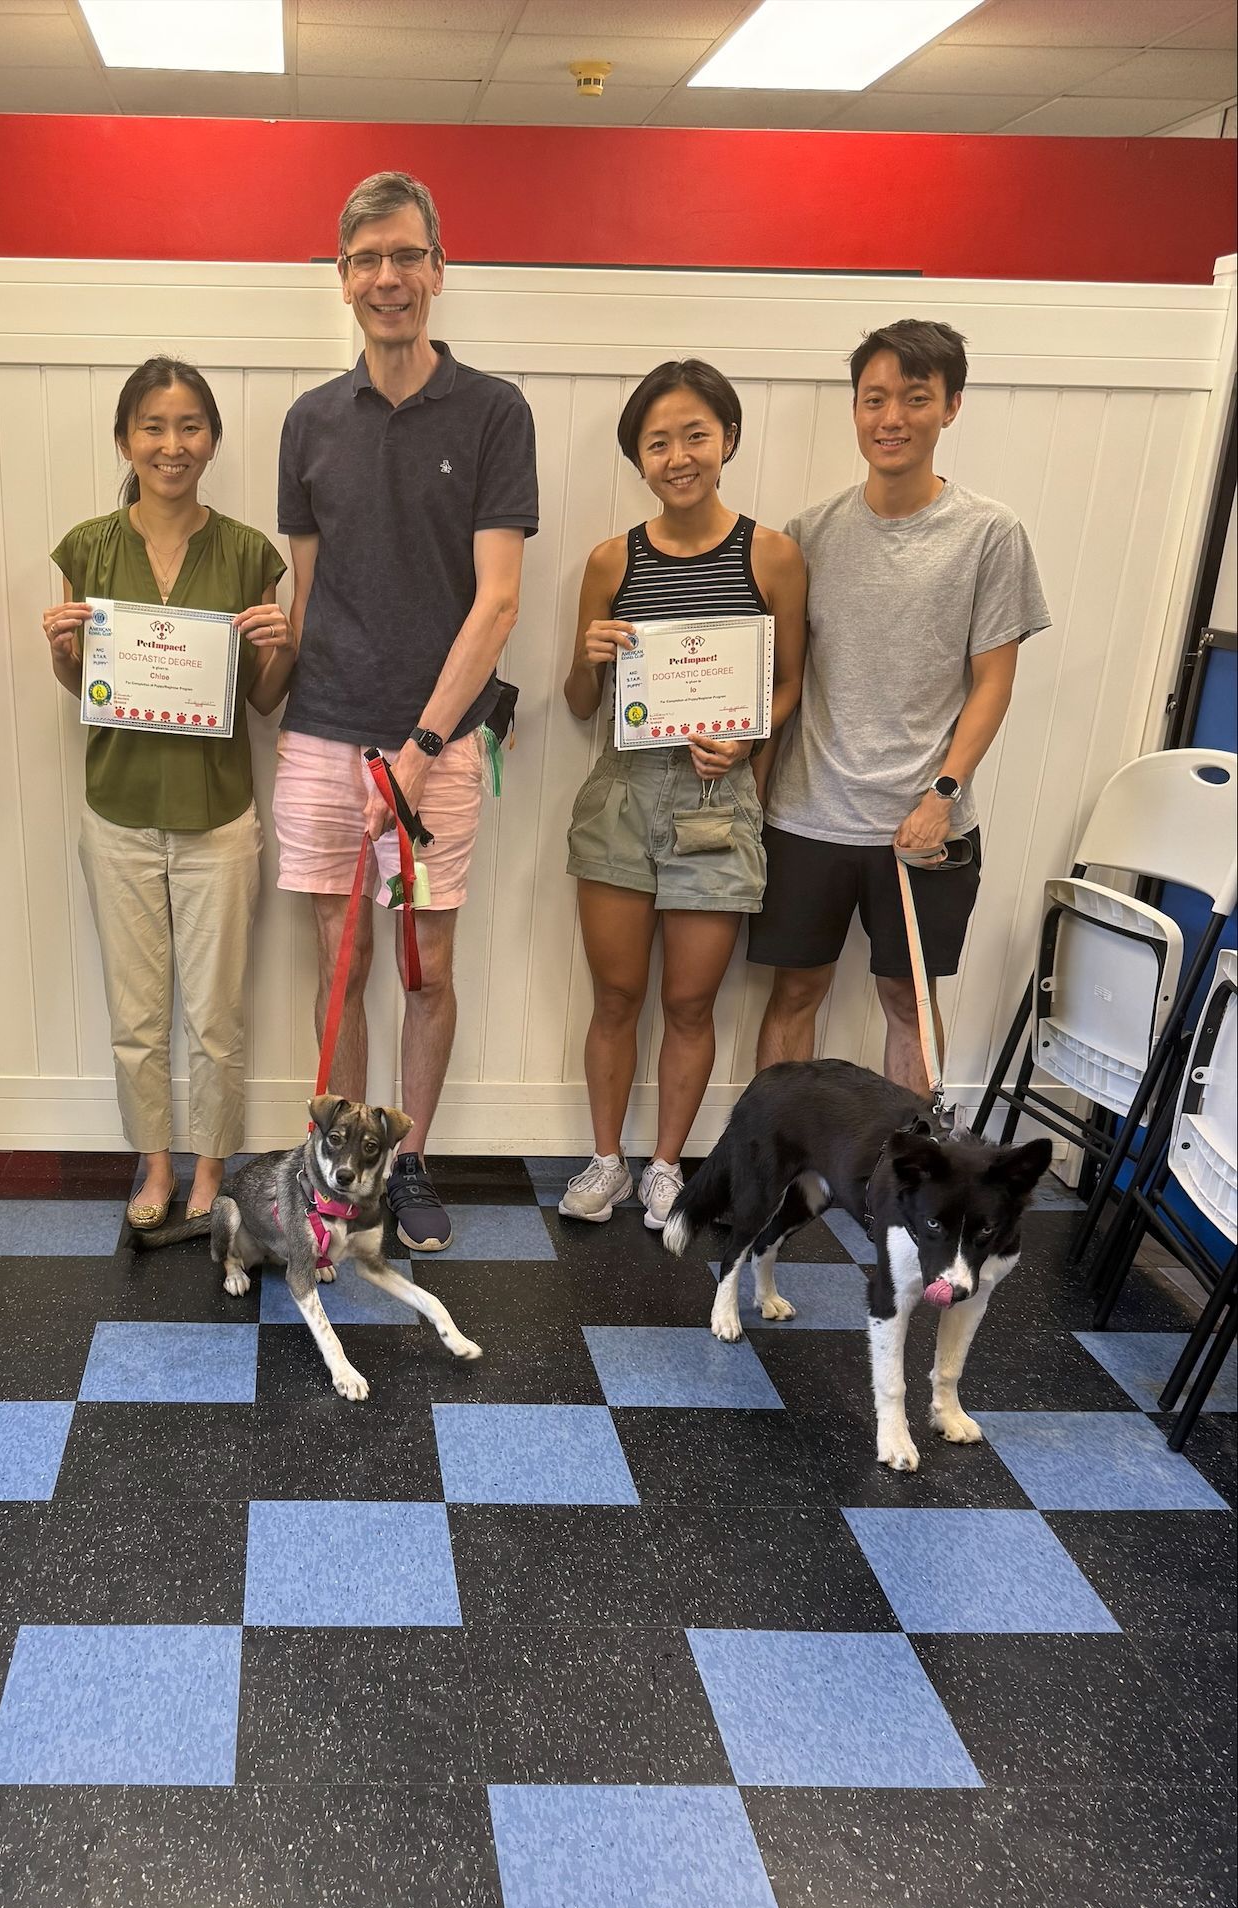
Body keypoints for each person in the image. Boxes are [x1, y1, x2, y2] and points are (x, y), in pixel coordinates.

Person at [273, 169, 537, 1250]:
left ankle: (410, 1160)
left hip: (440, 741)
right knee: (340, 966)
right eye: (367, 259)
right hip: (321, 732)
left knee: (427, 964)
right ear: (342, 279)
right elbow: (306, 597)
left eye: (407, 256)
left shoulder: (493, 411)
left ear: (438, 269)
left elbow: (498, 600)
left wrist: (423, 747)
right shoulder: (308, 422)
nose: (389, 277)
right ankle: (338, 1173)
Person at [750, 318, 1050, 1091]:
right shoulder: (807, 535)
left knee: (908, 1002)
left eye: (915, 398)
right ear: (854, 409)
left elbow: (995, 680)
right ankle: (778, 1155)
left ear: (951, 406)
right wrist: (751, 789)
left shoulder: (989, 534)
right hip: (807, 815)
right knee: (794, 994)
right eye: (874, 399)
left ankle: (912, 1165)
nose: (892, 418)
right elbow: (780, 679)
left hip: (926, 824)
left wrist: (942, 795)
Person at [43, 359, 295, 1228]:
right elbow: (86, 690)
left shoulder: (250, 553)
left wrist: (282, 646)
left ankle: (210, 1166)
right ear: (125, 440)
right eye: (152, 426)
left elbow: (263, 700)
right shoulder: (85, 547)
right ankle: (154, 1165)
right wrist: (62, 652)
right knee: (137, 1014)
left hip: (217, 817)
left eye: (190, 426)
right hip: (117, 810)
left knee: (217, 1015)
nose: (171, 444)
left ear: (213, 441)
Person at [558, 360, 805, 1228]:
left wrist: (747, 739)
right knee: (615, 997)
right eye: (657, 443)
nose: (678, 457)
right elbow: (580, 704)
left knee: (690, 1002)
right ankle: (606, 1163)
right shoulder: (610, 560)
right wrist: (588, 660)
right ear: (638, 459)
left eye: (695, 435)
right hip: (623, 795)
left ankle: (666, 1166)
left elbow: (790, 682)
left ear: (727, 438)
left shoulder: (772, 555)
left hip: (716, 800)